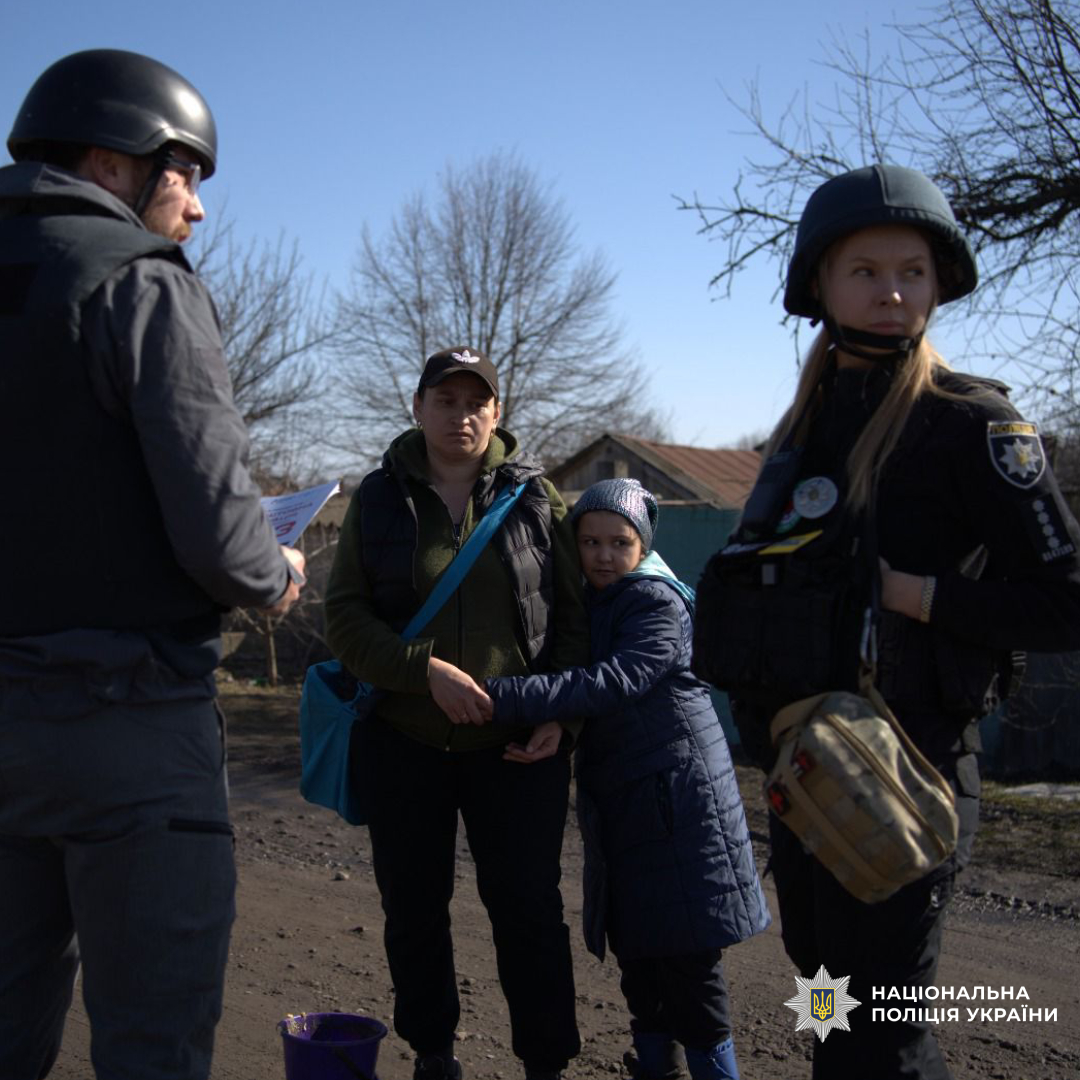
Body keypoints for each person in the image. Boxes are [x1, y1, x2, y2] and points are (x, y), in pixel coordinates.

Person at [696, 164, 1080, 1079]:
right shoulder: (803, 429)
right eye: (864, 270)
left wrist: (924, 598)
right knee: (822, 997)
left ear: (939, 283)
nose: (892, 289)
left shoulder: (973, 425)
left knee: (887, 1029)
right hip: (805, 767)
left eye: (911, 269)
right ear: (821, 287)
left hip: (914, 769)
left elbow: (1067, 599)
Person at [0, 49, 306, 1080]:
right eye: (190, 177)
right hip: (126, 732)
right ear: (115, 157)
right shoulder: (135, 281)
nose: (200, 212)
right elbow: (223, 544)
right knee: (150, 1047)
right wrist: (277, 570)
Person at [324, 346, 590, 1080]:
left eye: (476, 402)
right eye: (445, 400)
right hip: (404, 744)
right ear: (417, 408)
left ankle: (546, 1061)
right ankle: (433, 1053)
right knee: (413, 908)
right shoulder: (378, 498)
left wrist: (562, 717)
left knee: (529, 910)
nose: (461, 415)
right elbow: (344, 619)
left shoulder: (537, 499)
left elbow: (574, 619)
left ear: (497, 414)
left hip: (518, 748)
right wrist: (422, 671)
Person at [477, 479, 770, 1080]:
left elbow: (617, 679)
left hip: (679, 802)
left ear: (643, 545)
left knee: (689, 964)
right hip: (630, 802)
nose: (604, 555)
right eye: (590, 541)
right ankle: (655, 1067)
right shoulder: (593, 601)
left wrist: (501, 697)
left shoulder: (655, 601)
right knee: (640, 954)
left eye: (620, 541)